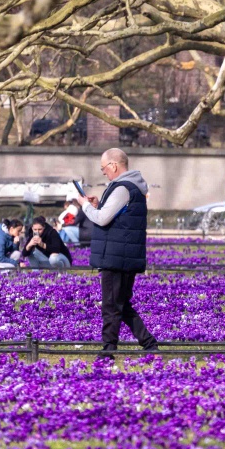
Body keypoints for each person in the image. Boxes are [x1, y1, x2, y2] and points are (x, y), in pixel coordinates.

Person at [77, 148, 159, 359]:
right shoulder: (132, 187)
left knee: (111, 305)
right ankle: (149, 343)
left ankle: (108, 349)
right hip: (124, 254)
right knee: (121, 304)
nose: (103, 172)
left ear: (113, 165)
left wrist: (86, 206)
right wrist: (98, 205)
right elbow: (116, 216)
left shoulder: (123, 188)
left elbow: (102, 219)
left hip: (116, 256)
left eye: (103, 168)